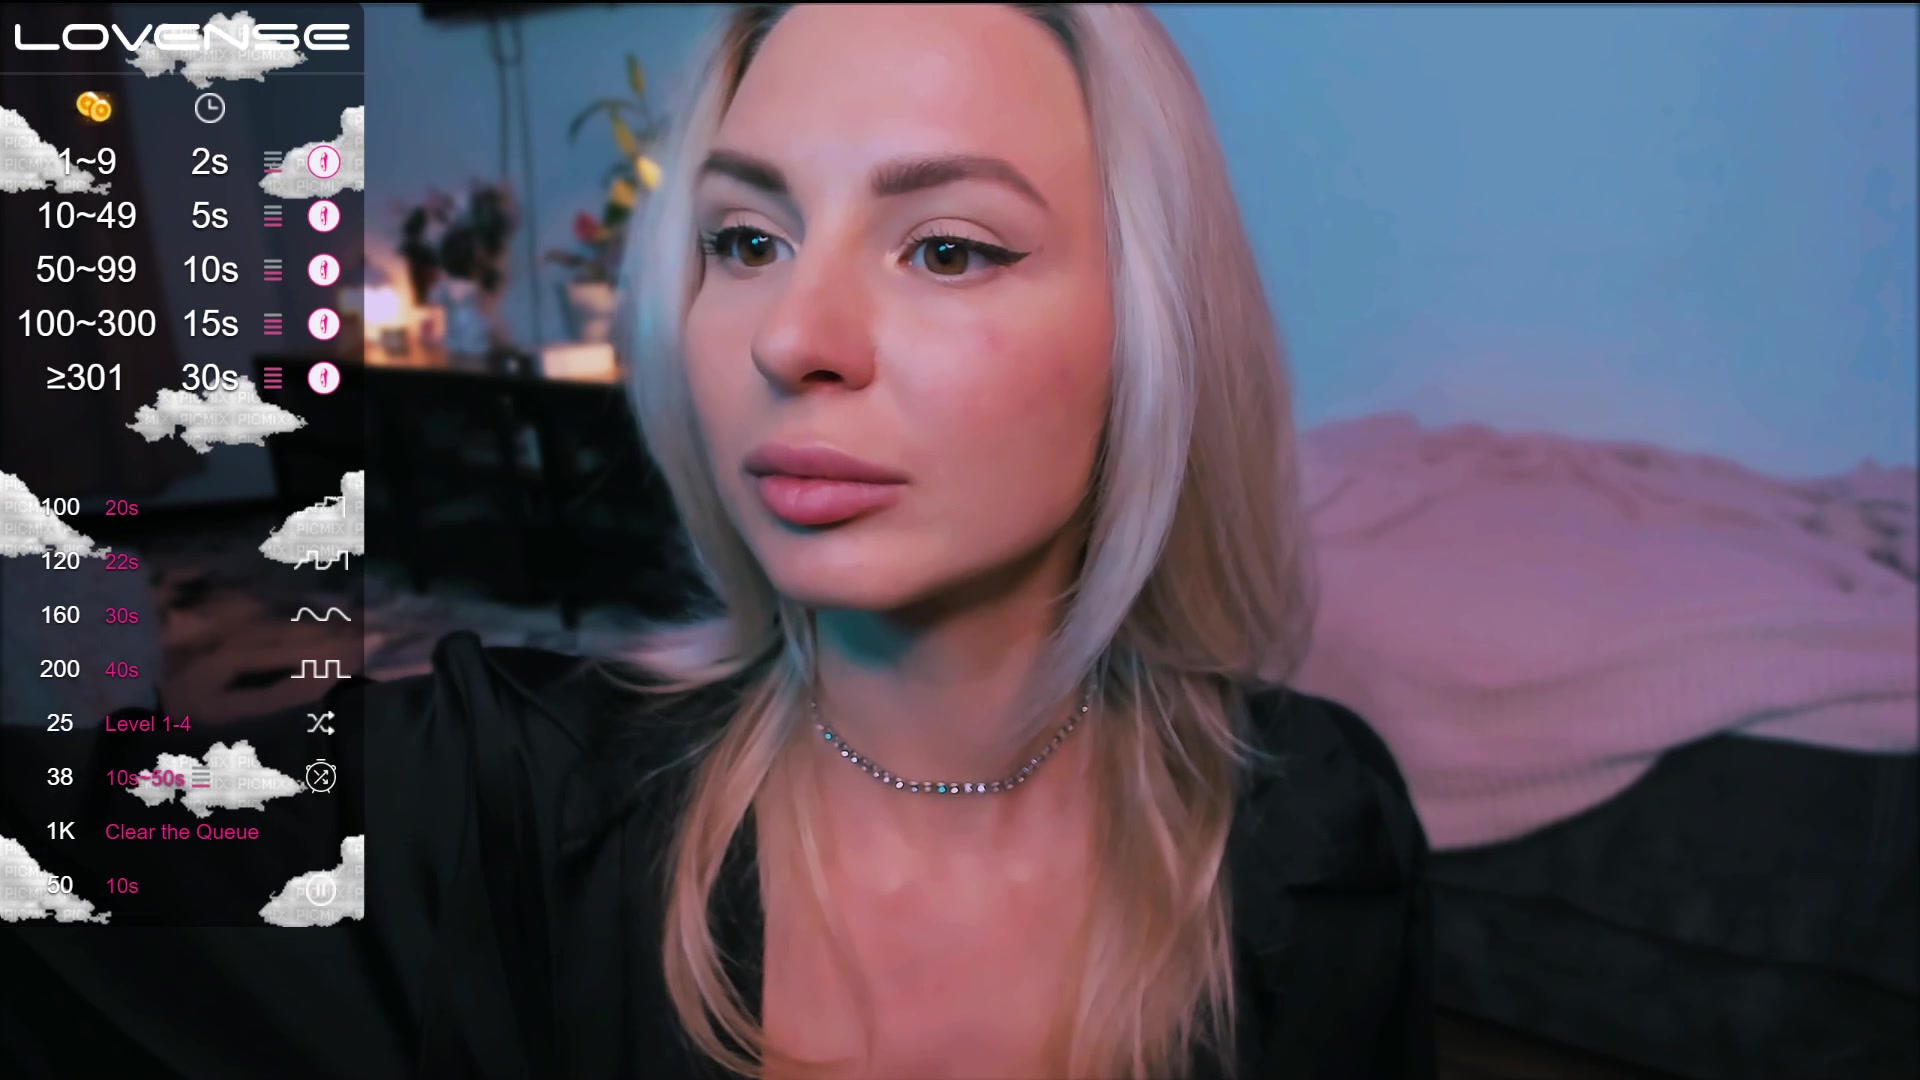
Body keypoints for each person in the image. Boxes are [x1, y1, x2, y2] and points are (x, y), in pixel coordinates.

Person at [0, 5, 1431, 1079]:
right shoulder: (497, 804)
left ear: (1151, 332)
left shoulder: (1316, 828)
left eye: (947, 248)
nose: (792, 336)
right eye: (746, 240)